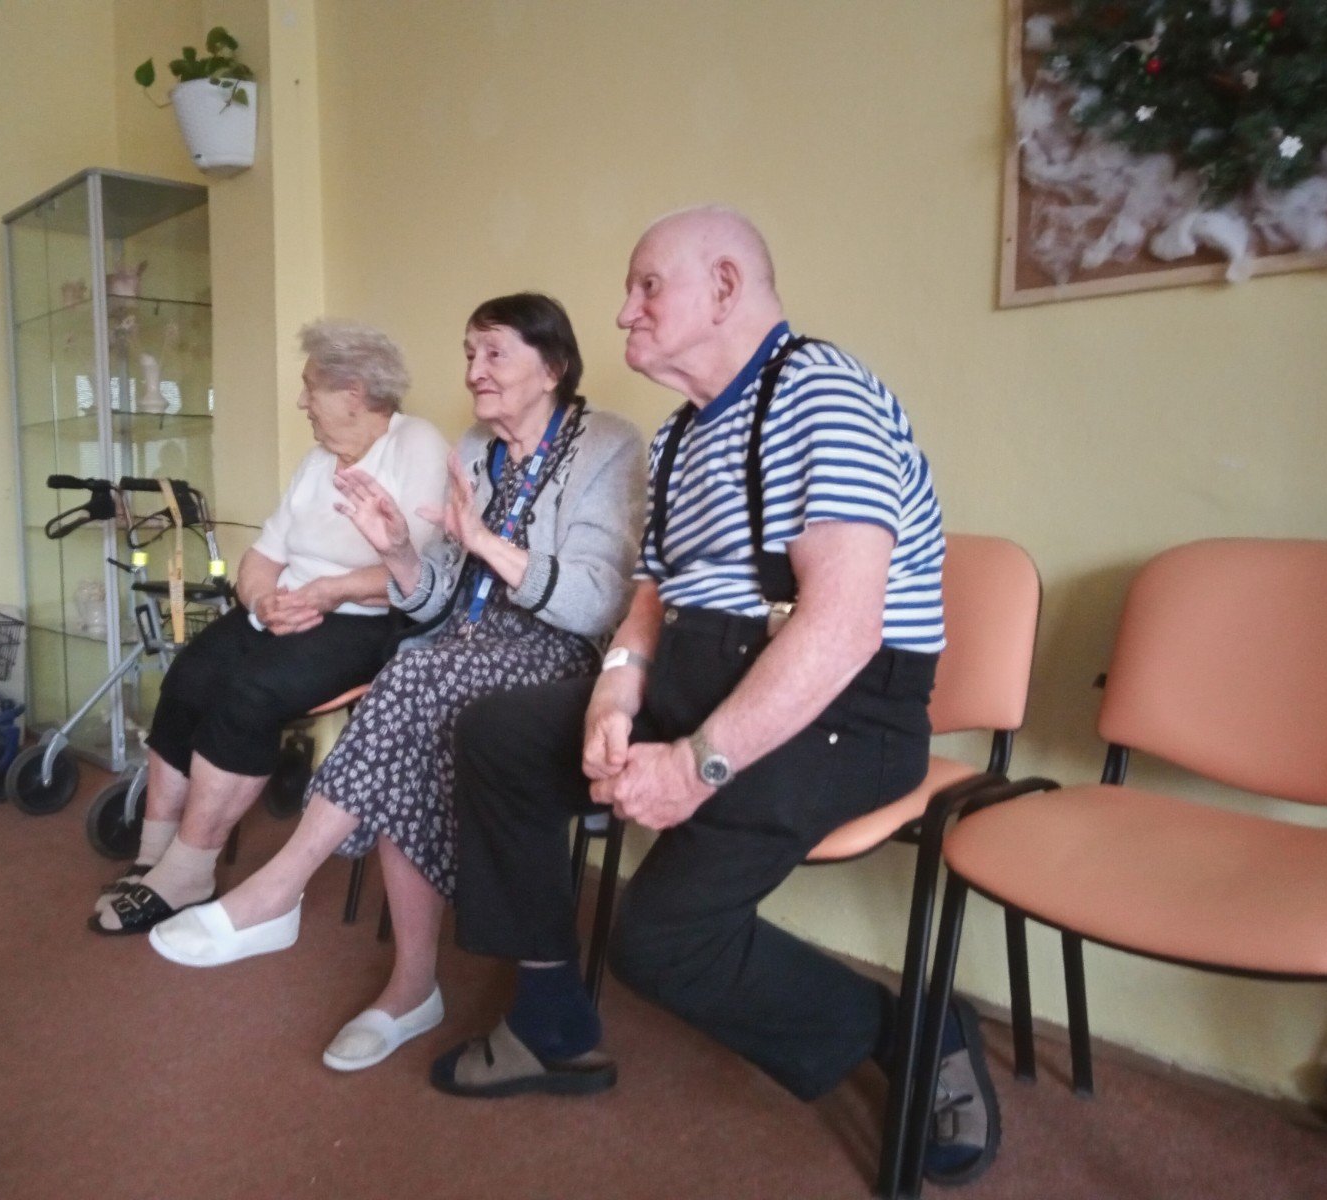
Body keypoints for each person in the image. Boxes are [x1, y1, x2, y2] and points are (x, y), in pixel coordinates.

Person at [438, 208, 998, 1186]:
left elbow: (841, 628)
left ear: (726, 287)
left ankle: (913, 1029)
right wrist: (615, 693)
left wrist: (697, 766)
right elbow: (653, 596)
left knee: (662, 945)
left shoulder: (823, 394)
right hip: (699, 675)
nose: (623, 312)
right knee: (496, 735)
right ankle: (549, 1016)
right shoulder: (681, 433)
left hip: (842, 710)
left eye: (647, 286)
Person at [147, 293, 646, 1075]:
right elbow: (436, 596)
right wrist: (399, 553)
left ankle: (289, 894)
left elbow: (596, 604)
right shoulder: (477, 448)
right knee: (416, 693)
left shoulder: (609, 445)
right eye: (469, 353)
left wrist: (484, 542)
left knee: (412, 673)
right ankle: (409, 989)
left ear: (552, 367)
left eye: (494, 354)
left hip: (555, 652)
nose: (474, 371)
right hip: (459, 643)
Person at [91, 320, 449, 934]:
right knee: (189, 676)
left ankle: (189, 871)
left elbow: (416, 563)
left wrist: (329, 592)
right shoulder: (318, 461)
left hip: (367, 620)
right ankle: (152, 856)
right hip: (290, 606)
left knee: (247, 695)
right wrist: (262, 603)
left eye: (312, 388)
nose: (302, 402)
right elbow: (263, 555)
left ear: (354, 393)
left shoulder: (416, 444)